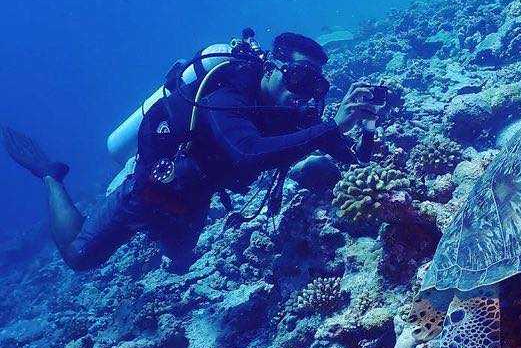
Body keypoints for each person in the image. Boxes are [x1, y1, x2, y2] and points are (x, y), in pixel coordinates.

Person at [2, 32, 375, 271]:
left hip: (198, 195)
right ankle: (50, 174)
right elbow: (247, 153)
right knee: (79, 257)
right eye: (299, 78)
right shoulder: (227, 93)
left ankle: (159, 233)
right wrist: (329, 127)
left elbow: (332, 148)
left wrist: (364, 135)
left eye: (315, 84)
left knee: (179, 260)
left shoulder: (284, 110)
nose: (304, 93)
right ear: (271, 68)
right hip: (152, 189)